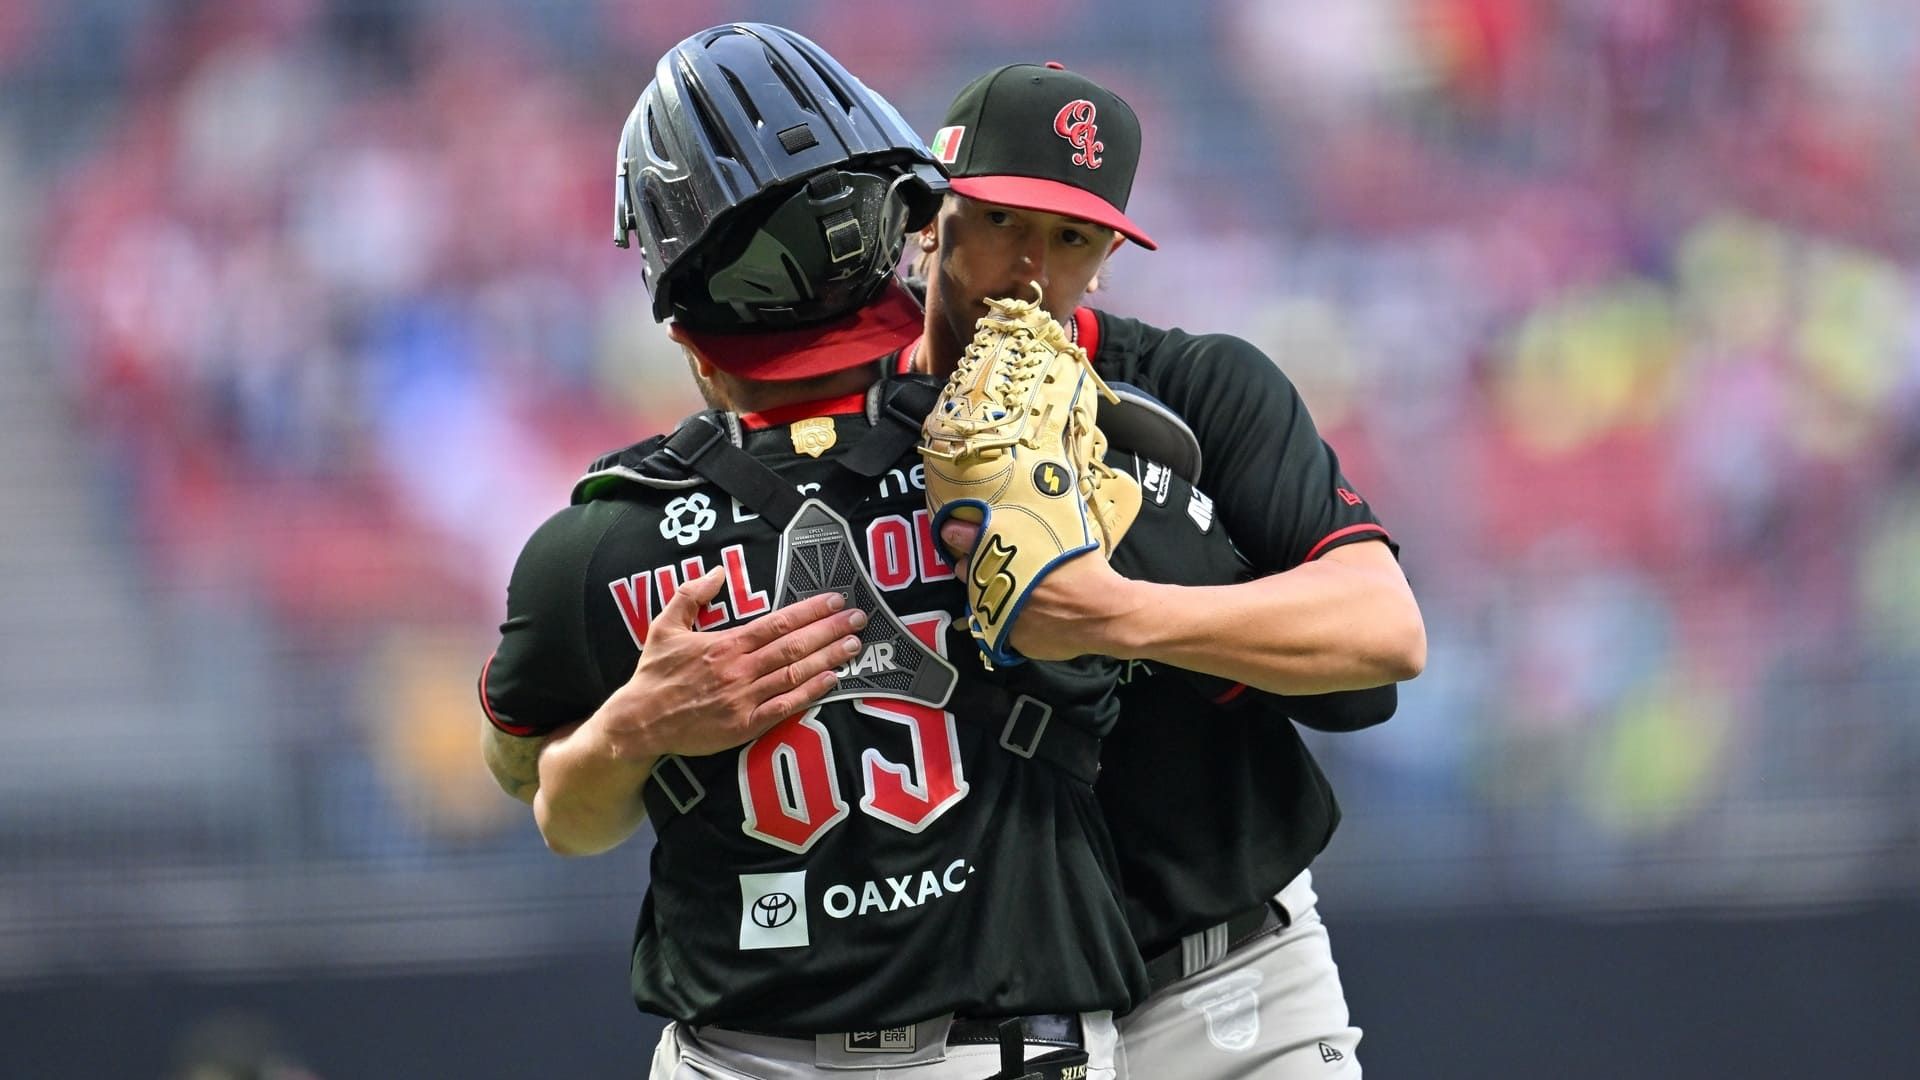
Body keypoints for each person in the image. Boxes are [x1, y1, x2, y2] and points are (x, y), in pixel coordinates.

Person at [478, 25, 1265, 1080]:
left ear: (682, 327)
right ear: (903, 230)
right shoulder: (1061, 452)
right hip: (1008, 1044)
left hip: (737, 1055)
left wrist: (632, 730)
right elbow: (1278, 668)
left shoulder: (593, 546)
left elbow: (535, 786)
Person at [910, 62, 1426, 1077]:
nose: (1032, 269)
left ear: (1106, 256)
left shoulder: (1197, 388)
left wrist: (1119, 608)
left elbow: (1382, 642)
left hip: (1233, 983)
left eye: (1073, 237)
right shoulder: (868, 429)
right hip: (974, 1016)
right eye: (1007, 221)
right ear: (933, 217)